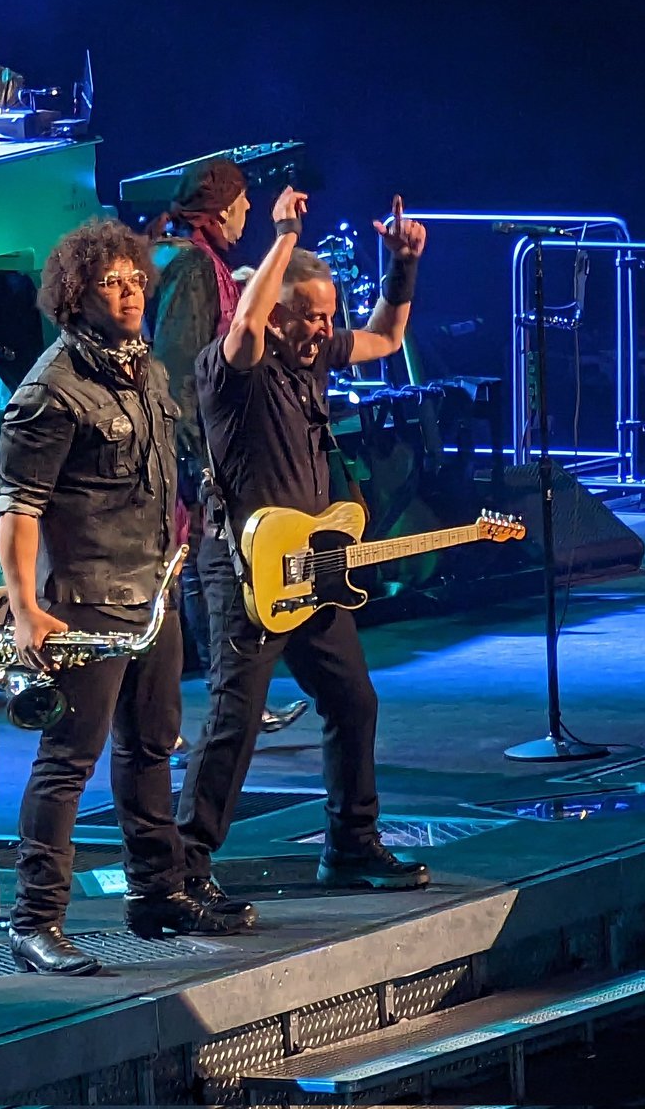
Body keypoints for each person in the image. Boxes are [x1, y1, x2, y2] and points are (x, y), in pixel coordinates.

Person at [0, 219, 244, 976]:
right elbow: (18, 510)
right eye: (111, 282)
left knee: (149, 747)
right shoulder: (51, 391)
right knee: (68, 758)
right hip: (86, 601)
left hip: (152, 591)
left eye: (135, 279)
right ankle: (35, 920)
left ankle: (157, 893)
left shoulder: (148, 373)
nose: (130, 292)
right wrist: (25, 609)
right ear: (77, 295)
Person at [177, 187, 431, 921]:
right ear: (276, 313)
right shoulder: (233, 368)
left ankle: (350, 844)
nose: (324, 329)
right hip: (243, 568)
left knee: (352, 700)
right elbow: (246, 321)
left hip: (313, 563)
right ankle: (184, 871)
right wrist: (283, 238)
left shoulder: (311, 361)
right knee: (234, 718)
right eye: (310, 316)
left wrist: (401, 267)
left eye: (326, 316)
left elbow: (383, 337)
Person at [150, 159, 308, 734]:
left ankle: (233, 699)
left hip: (191, 452)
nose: (246, 211)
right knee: (199, 573)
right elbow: (179, 367)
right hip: (189, 454)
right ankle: (227, 701)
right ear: (220, 210)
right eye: (242, 202)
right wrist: (196, 458)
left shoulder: (193, 258)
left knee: (194, 573)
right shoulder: (192, 264)